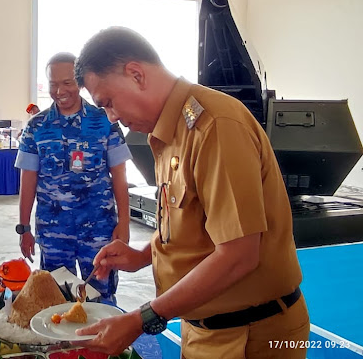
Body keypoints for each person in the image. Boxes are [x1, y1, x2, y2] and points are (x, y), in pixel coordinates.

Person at [73, 27, 309, 358]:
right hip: (203, 326)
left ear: (136, 74)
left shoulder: (214, 125)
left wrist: (142, 319)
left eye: (109, 103)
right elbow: (189, 224)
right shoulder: (170, 131)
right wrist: (143, 256)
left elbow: (239, 254)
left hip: (248, 334)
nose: (113, 118)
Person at [15, 52, 132, 302]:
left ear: (79, 82)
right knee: (55, 299)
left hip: (99, 231)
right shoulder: (36, 127)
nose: (59, 91)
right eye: (53, 84)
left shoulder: (105, 121)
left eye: (66, 83)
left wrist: (124, 223)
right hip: (54, 232)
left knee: (102, 296)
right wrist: (24, 228)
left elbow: (120, 178)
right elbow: (28, 182)